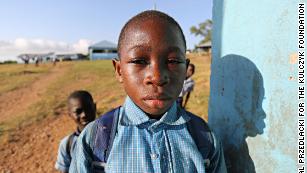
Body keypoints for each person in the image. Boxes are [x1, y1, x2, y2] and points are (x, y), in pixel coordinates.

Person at [71, 10, 226, 173]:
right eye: (139, 61)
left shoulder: (206, 139)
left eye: (172, 61)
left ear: (186, 69)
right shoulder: (94, 139)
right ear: (119, 71)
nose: (157, 77)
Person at [55, 90, 96, 173]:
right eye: (78, 111)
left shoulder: (111, 136)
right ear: (70, 114)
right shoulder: (67, 144)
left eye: (88, 108)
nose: (84, 114)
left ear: (95, 107)